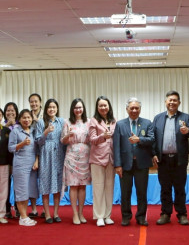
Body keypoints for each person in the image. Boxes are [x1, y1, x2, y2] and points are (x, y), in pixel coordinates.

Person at [152, 91, 189, 225]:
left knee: (179, 188)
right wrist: (153, 153)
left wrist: (188, 130)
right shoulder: (158, 118)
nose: (172, 102)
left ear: (179, 102)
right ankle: (165, 213)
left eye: (175, 100)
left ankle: (182, 214)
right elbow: (153, 138)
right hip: (163, 159)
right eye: (170, 100)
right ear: (165, 102)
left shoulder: (185, 117)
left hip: (179, 159)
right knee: (165, 188)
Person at [113, 98, 155, 227]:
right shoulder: (120, 124)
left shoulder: (147, 123)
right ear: (127, 109)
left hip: (142, 163)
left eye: (137, 108)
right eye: (132, 108)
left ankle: (141, 217)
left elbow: (152, 139)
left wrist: (139, 139)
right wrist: (117, 165)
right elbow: (116, 146)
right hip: (125, 164)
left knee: (141, 192)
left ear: (140, 109)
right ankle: (126, 217)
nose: (134, 110)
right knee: (125, 193)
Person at [34, 99, 65, 224]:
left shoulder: (61, 121)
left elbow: (64, 138)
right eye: (49, 107)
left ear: (57, 109)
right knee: (45, 185)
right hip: (46, 155)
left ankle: (56, 213)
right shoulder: (41, 122)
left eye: (54, 107)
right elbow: (38, 141)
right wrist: (45, 132)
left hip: (59, 155)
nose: (52, 109)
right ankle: (47, 214)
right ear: (46, 109)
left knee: (57, 186)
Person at [62, 98, 92, 225]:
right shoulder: (67, 122)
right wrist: (68, 135)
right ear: (72, 109)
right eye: (76, 107)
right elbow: (63, 141)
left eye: (80, 107)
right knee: (73, 186)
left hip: (85, 156)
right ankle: (74, 213)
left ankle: (81, 213)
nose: (78, 110)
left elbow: (92, 139)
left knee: (82, 186)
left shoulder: (89, 122)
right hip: (71, 156)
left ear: (83, 108)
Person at [88, 96, 116, 227]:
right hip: (97, 158)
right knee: (98, 188)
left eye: (105, 105)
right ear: (97, 107)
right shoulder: (93, 121)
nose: (103, 108)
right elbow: (92, 139)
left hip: (111, 158)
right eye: (100, 106)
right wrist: (103, 136)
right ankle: (99, 216)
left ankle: (107, 215)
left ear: (109, 106)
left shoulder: (113, 121)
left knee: (109, 187)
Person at [8, 109, 39, 226]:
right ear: (19, 119)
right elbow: (10, 148)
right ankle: (23, 217)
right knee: (21, 191)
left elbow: (37, 148)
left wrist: (36, 161)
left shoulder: (33, 131)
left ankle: (23, 216)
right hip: (20, 165)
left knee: (28, 191)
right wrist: (22, 144)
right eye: (24, 117)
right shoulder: (15, 132)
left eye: (28, 117)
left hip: (32, 166)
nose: (26, 120)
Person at [27, 93, 43, 216]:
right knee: (32, 180)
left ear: (40, 102)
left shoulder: (45, 115)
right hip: (32, 151)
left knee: (44, 180)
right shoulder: (27, 115)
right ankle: (34, 209)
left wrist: (38, 122)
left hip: (44, 151)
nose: (34, 104)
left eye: (36, 101)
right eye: (31, 102)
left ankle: (45, 209)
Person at [3, 102, 20, 219]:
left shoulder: (20, 125)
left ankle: (18, 208)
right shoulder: (1, 125)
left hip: (18, 157)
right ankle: (7, 208)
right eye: (8, 110)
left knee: (18, 184)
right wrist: (7, 126)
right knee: (6, 184)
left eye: (12, 110)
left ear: (16, 112)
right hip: (5, 158)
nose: (10, 112)